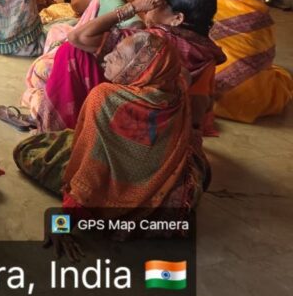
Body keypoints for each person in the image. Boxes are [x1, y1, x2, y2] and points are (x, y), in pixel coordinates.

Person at [14, 31, 205, 223]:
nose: (107, 58)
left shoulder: (105, 97)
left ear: (140, 68)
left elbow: (90, 164)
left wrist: (70, 212)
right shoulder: (177, 91)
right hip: (159, 191)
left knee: (29, 150)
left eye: (119, 56)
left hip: (113, 192)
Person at [67, 0, 225, 142]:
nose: (151, 4)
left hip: (137, 130)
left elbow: (78, 36)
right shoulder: (206, 50)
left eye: (160, 1)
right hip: (175, 132)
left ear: (177, 18)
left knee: (71, 52)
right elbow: (198, 108)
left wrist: (134, 6)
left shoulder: (151, 42)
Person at [15, 0, 138, 132]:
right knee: (59, 30)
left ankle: (50, 106)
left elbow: (135, 24)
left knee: (42, 67)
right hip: (95, 46)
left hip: (101, 59)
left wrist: (114, 45)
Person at [212, 0, 293, 123]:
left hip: (218, 93)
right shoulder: (261, 9)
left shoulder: (214, 2)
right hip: (260, 97)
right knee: (281, 74)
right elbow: (266, 54)